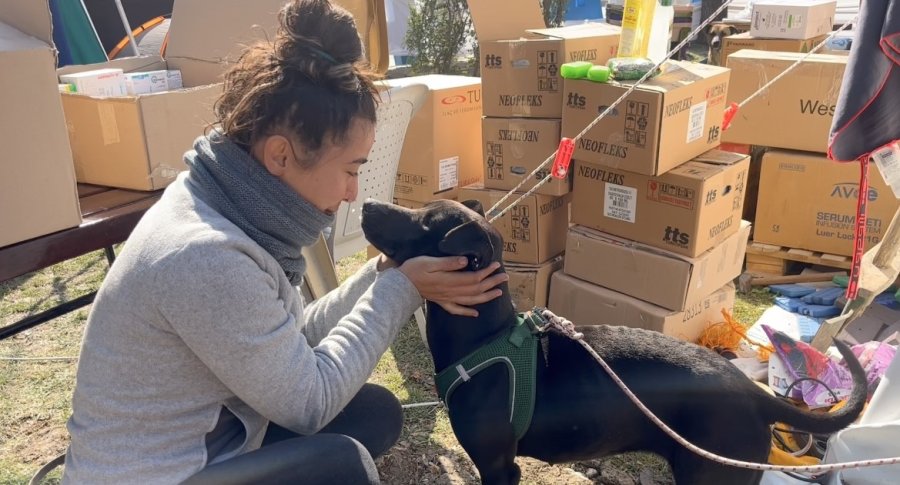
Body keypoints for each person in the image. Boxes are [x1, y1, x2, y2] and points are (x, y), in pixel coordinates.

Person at [61, 1, 507, 483]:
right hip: (156, 473)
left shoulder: (232, 204)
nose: (354, 191)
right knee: (342, 466)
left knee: (373, 413)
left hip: (216, 439)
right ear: (281, 155)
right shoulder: (206, 256)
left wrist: (382, 274)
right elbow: (309, 403)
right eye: (350, 169)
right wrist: (403, 290)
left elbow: (289, 345)